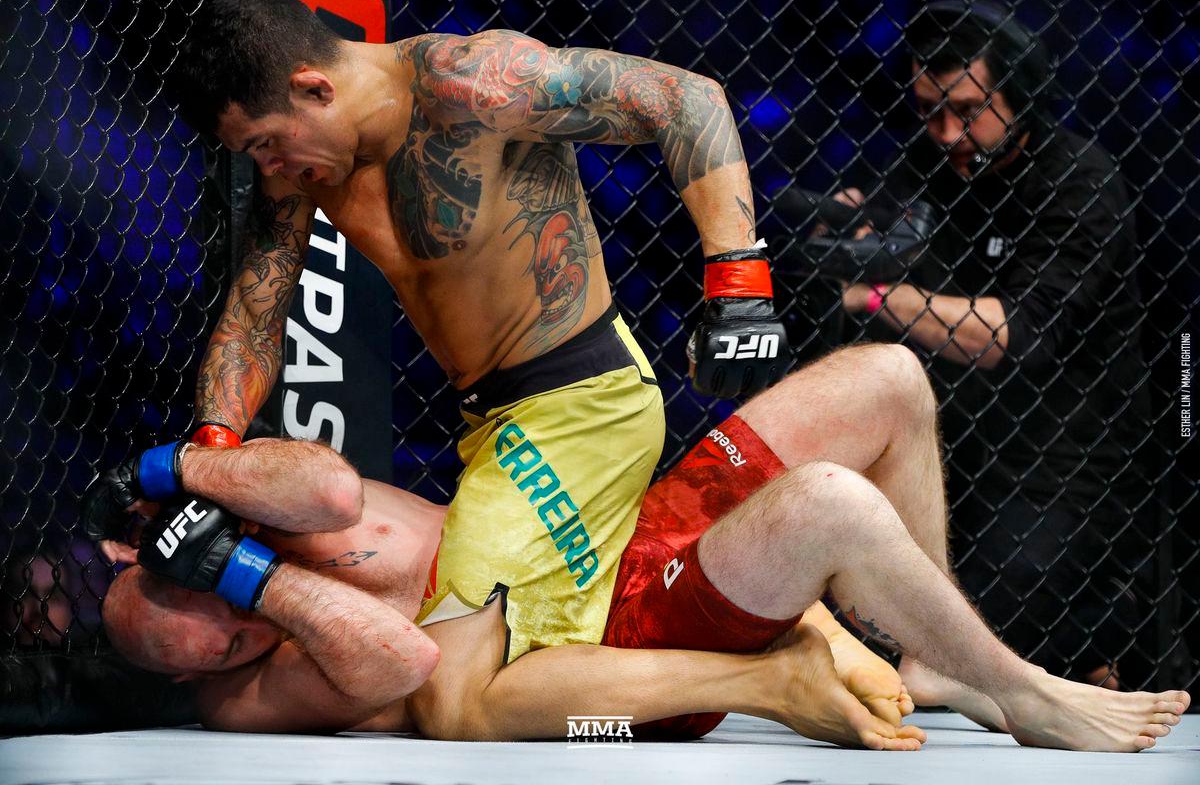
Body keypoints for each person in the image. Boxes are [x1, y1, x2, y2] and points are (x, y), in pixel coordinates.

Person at [136, 0, 791, 679]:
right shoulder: (303, 170)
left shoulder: (470, 85)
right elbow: (253, 316)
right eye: (252, 153)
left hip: (579, 401)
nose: (266, 167)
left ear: (314, 88)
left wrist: (739, 284)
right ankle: (772, 631)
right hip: (489, 423)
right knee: (569, 626)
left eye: (267, 143)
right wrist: (217, 465)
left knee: (456, 685)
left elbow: (684, 99)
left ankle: (769, 680)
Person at [96, 346, 1189, 752]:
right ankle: (1024, 691)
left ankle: (937, 663)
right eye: (215, 643)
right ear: (194, 676)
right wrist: (253, 579)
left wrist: (176, 473)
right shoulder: (248, 690)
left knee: (891, 380)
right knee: (829, 506)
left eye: (202, 588)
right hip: (614, 648)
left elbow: (330, 485)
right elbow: (406, 663)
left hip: (622, 543)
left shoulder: (266, 515)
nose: (231, 625)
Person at [819, 0, 1149, 686]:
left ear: (1018, 94)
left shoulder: (1079, 179)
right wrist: (842, 238)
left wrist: (876, 293)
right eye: (930, 111)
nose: (947, 133)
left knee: (976, 636)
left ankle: (1093, 658)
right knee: (859, 616)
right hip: (949, 448)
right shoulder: (926, 166)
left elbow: (1017, 335)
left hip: (1061, 458)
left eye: (968, 111)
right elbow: (860, 240)